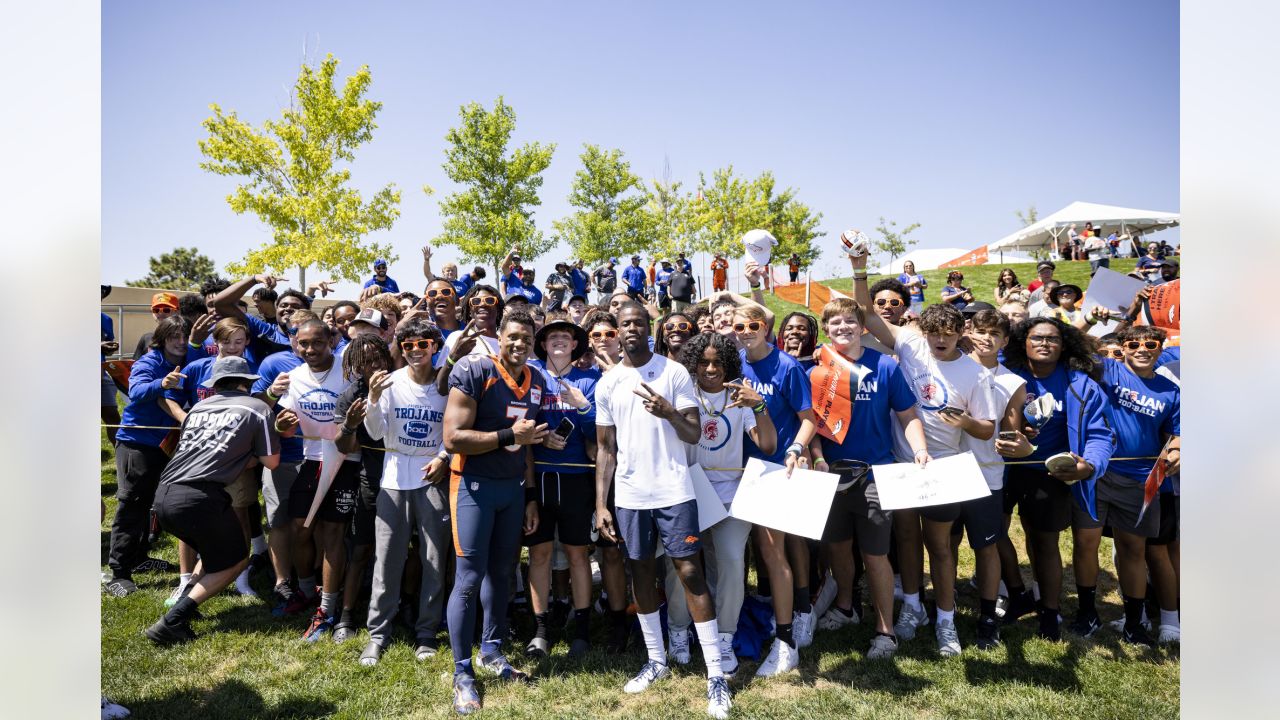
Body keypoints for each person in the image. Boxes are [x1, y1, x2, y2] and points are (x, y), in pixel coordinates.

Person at [853, 252, 999, 657]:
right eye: (934, 333)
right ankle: (912, 608)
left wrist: (964, 423)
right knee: (905, 538)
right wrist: (858, 267)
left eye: (948, 335)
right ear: (923, 330)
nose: (939, 341)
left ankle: (947, 621)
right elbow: (865, 311)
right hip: (902, 463)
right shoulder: (911, 343)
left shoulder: (976, 373)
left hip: (946, 468)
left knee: (941, 546)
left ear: (959, 333)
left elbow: (987, 428)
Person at [593, 302, 731, 719]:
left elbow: (694, 433)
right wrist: (601, 504)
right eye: (625, 323)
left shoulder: (674, 374)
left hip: (674, 490)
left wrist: (668, 411)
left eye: (638, 322)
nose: (631, 328)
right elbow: (604, 449)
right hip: (631, 497)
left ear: (648, 328)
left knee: (690, 572)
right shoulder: (609, 383)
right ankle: (656, 660)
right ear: (616, 331)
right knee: (641, 574)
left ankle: (716, 675)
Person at [787, 295, 931, 661]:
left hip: (873, 474)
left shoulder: (885, 365)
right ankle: (847, 608)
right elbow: (812, 424)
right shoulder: (816, 369)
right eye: (835, 323)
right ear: (827, 328)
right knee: (837, 548)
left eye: (850, 322)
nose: (843, 328)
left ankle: (885, 632)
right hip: (829, 474)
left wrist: (919, 448)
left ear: (862, 327)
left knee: (875, 554)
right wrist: (816, 458)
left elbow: (907, 414)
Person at [442, 311, 547, 714]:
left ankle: (492, 650)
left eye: (527, 338)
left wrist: (532, 494)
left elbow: (529, 443)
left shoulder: (535, 380)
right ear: (499, 336)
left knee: (503, 572)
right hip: (473, 486)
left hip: (512, 489)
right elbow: (453, 438)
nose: (519, 344)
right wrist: (507, 436)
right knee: (468, 579)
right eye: (513, 336)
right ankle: (461, 672)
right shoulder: (474, 370)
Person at [144, 356, 285, 645]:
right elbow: (271, 462)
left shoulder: (197, 409)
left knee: (211, 553)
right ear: (247, 383)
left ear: (215, 385)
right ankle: (173, 620)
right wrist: (279, 434)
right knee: (235, 560)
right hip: (200, 497)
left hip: (164, 494)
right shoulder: (257, 408)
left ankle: (186, 600)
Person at [667, 332, 784, 677]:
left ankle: (723, 637)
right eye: (703, 362)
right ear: (693, 364)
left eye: (718, 362)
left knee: (732, 563)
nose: (711, 368)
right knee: (680, 568)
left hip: (732, 494)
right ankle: (677, 630)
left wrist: (758, 405)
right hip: (687, 492)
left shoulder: (739, 393)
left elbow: (766, 444)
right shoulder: (683, 387)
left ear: (729, 364)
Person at [994, 317, 1115, 641]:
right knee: (991, 533)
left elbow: (1101, 435)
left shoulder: (1080, 384)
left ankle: (1050, 610)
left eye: (1052, 339)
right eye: (1037, 338)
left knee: (1044, 541)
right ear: (1024, 343)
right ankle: (1018, 594)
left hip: (1047, 474)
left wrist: (1089, 466)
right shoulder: (1007, 375)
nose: (1045, 343)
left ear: (1064, 346)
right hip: (1003, 468)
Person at [1069, 325, 1179, 646]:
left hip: (1142, 479)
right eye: (1133, 344)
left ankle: (1135, 622)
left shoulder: (1170, 391)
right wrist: (1091, 320)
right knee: (1085, 544)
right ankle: (1087, 613)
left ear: (1161, 348)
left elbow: (1178, 432)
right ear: (1124, 347)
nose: (1142, 349)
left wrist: (1176, 451)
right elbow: (1073, 344)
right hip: (1096, 472)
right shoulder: (1109, 369)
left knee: (1134, 550)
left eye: (1150, 344)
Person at [357, 321, 454, 664]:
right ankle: (377, 634)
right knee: (388, 558)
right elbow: (375, 431)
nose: (416, 350)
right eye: (408, 344)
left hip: (432, 476)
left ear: (435, 346)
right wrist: (372, 398)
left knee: (433, 559)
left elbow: (456, 428)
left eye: (423, 343)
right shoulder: (390, 381)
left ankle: (426, 632)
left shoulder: (446, 383)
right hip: (394, 477)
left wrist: (445, 456)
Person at [734, 303, 817, 648]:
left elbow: (809, 418)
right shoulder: (731, 363)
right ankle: (774, 608)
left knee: (782, 546)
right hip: (740, 468)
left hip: (780, 468)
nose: (747, 332)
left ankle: (801, 611)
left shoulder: (787, 365)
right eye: (739, 327)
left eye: (753, 325)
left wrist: (797, 449)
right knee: (762, 546)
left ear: (766, 328)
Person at [276, 319, 363, 642]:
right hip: (311, 460)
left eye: (316, 343)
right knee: (300, 529)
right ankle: (305, 590)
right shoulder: (294, 377)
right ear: (295, 344)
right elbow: (284, 425)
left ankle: (327, 608)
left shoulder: (348, 370)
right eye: (303, 344)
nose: (310, 350)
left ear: (331, 340)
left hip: (346, 461)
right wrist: (279, 423)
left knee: (332, 534)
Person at [524, 319, 599, 660]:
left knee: (577, 554)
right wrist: (540, 437)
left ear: (575, 344)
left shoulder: (591, 378)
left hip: (576, 478)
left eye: (565, 337)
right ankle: (540, 630)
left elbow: (599, 432)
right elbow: (516, 421)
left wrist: (582, 405)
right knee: (538, 555)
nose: (558, 341)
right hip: (537, 476)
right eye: (551, 336)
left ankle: (582, 630)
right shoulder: (530, 374)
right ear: (542, 344)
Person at [104, 315, 189, 598]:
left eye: (183, 336)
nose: (180, 342)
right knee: (132, 504)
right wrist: (162, 382)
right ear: (162, 339)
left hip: (166, 444)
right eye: (173, 336)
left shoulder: (189, 359)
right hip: (137, 443)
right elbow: (136, 391)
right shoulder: (149, 362)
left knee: (152, 502)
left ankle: (139, 557)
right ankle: (118, 572)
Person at [961, 309, 1029, 649]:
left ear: (1004, 341)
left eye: (995, 334)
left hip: (987, 473)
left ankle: (988, 618)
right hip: (945, 470)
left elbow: (1011, 433)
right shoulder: (948, 365)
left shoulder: (1013, 382)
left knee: (987, 546)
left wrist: (1017, 442)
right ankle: (943, 611)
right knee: (943, 546)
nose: (986, 338)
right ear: (970, 331)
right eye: (981, 330)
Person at [251, 309, 318, 614]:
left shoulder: (334, 365)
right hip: (283, 457)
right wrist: (270, 392)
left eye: (307, 334)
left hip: (320, 457)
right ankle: (282, 582)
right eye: (293, 333)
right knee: (279, 521)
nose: (302, 341)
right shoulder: (273, 364)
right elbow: (254, 408)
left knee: (311, 524)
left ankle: (311, 579)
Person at [328, 334, 393, 646]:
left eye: (378, 357)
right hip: (371, 478)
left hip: (409, 479)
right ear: (354, 365)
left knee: (409, 552)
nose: (374, 365)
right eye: (365, 361)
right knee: (362, 548)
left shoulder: (404, 383)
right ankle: (346, 615)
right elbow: (345, 446)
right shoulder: (351, 395)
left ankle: (404, 608)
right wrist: (351, 424)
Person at [132, 291, 180, 359]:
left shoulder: (185, 338)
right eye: (156, 310)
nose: (160, 313)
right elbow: (135, 364)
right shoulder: (146, 338)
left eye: (166, 310)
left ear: (177, 311)